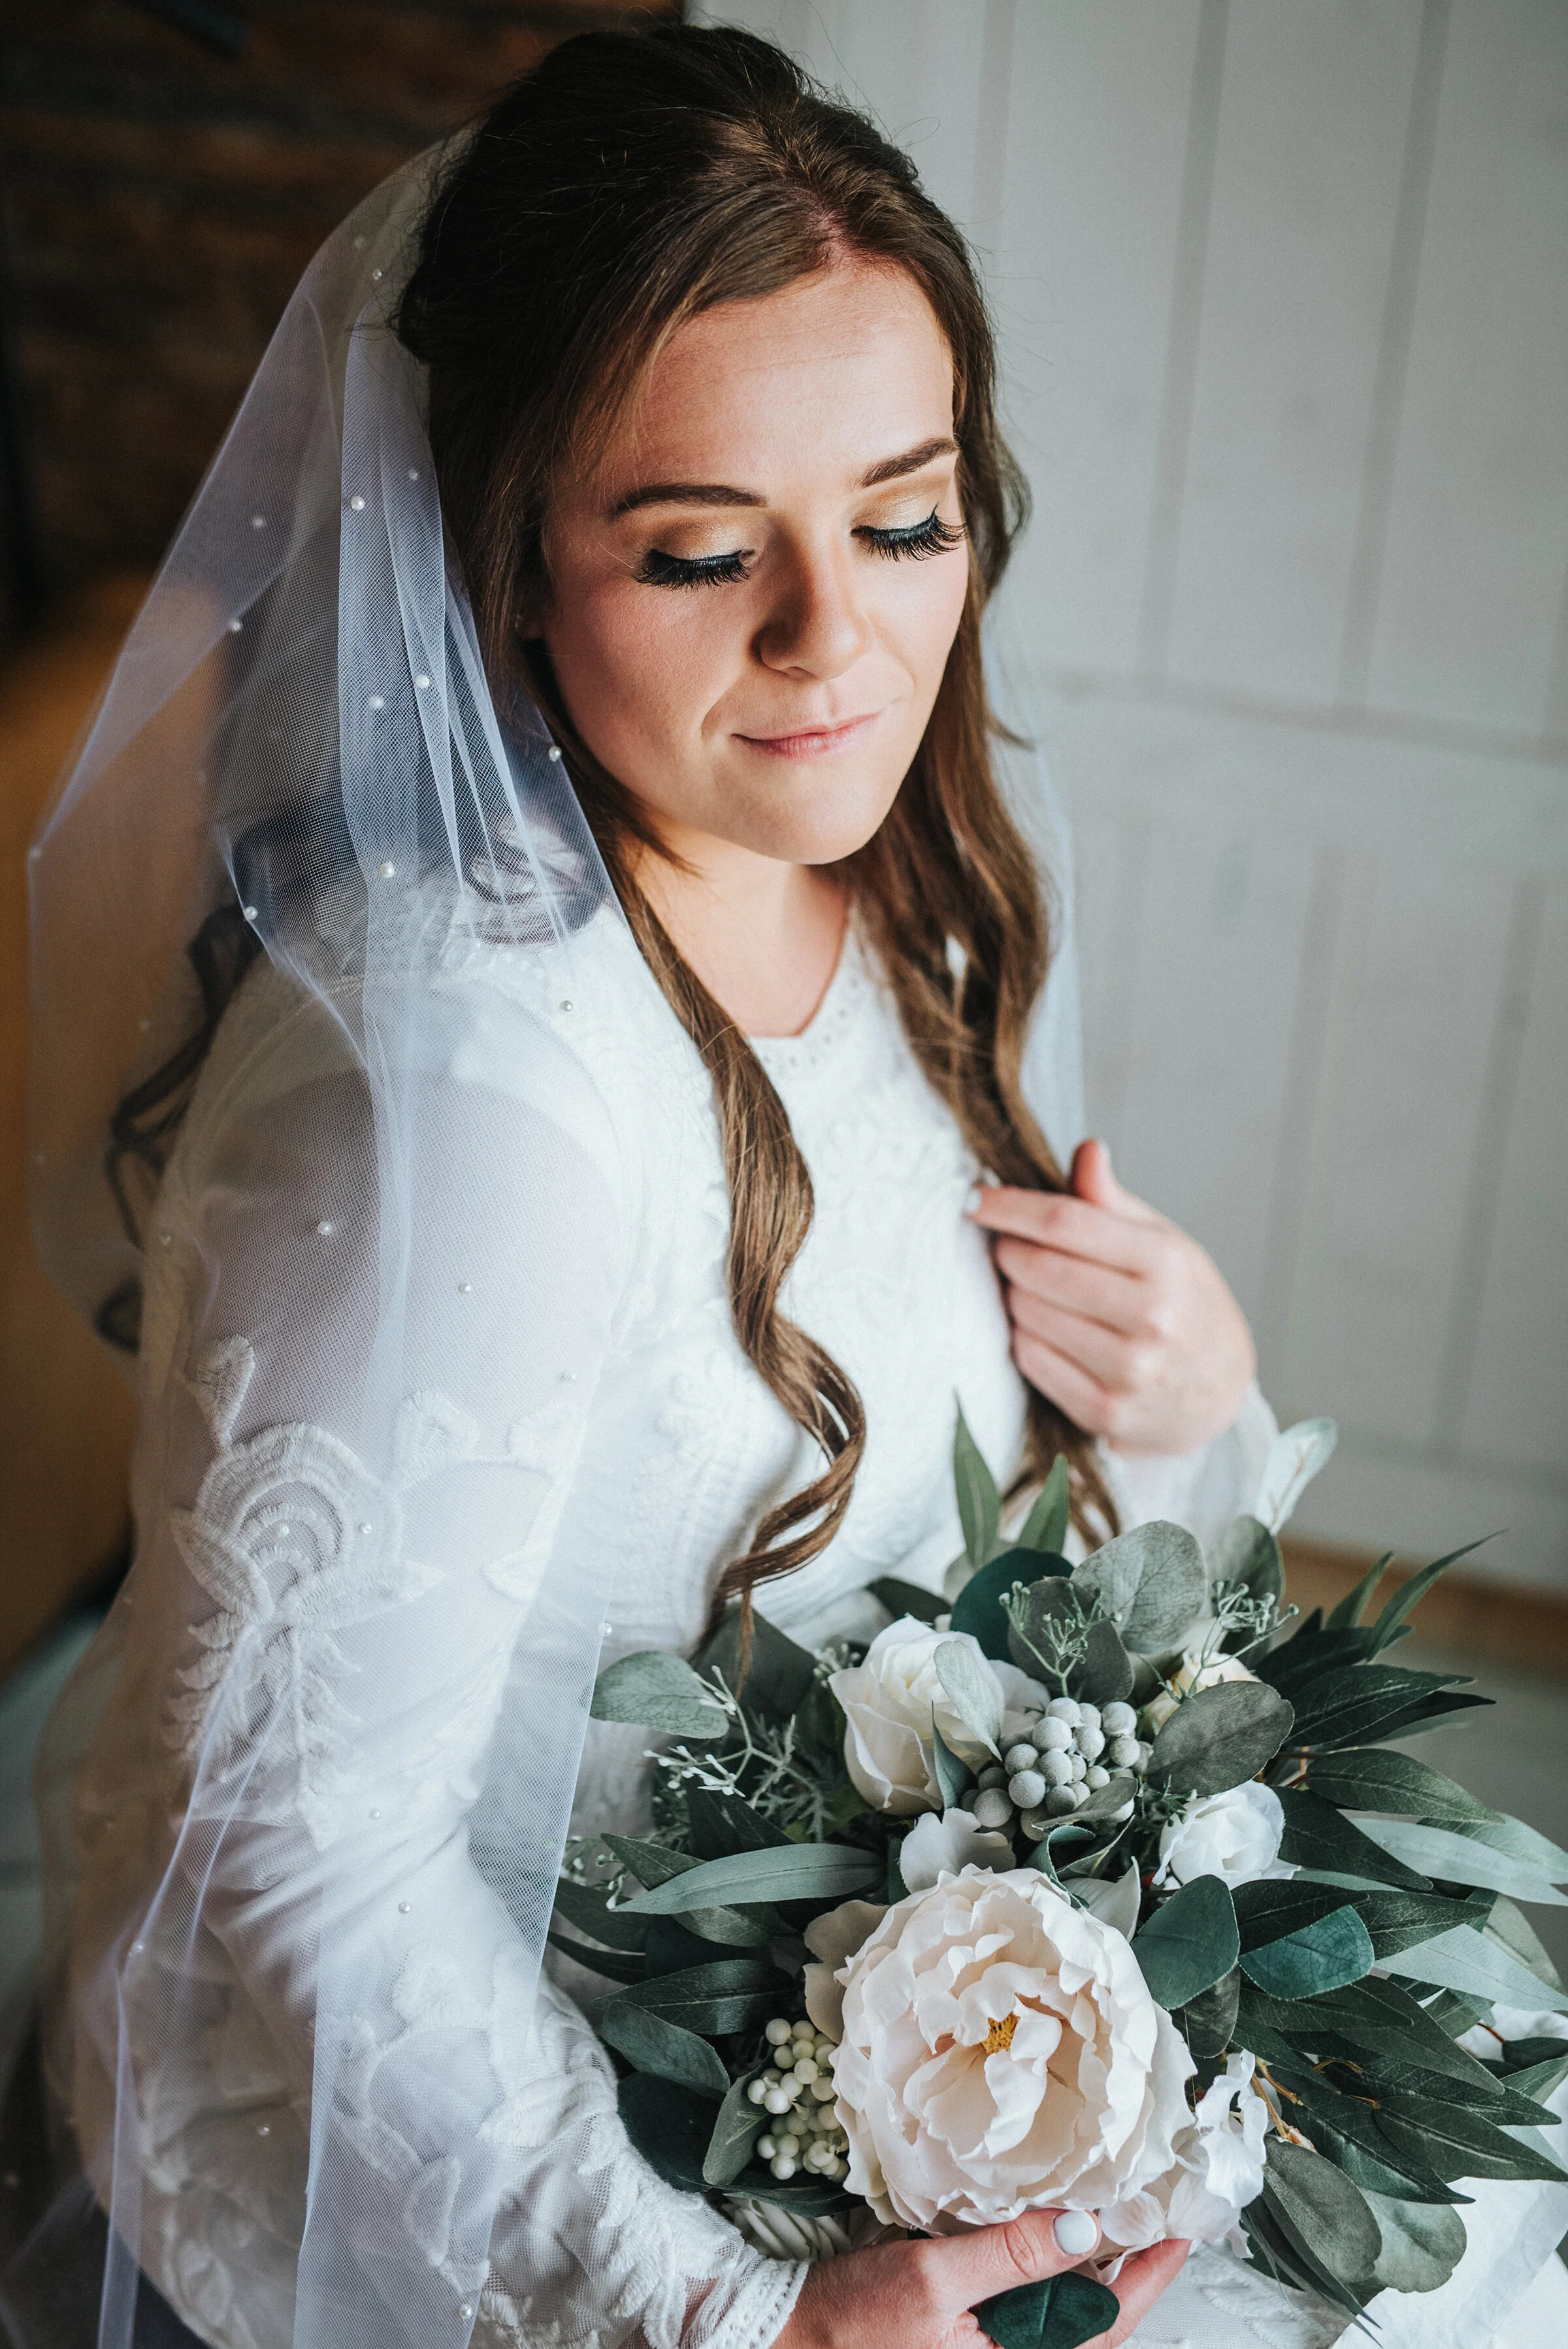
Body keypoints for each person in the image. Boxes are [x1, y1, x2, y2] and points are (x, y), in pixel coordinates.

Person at [16, 25, 1277, 2349]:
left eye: (903, 518)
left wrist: (1182, 1389)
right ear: (498, 566)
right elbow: (300, 1847)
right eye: (702, 553)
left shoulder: (936, 876)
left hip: (882, 1987)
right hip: (514, 2143)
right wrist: (715, 2317)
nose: (840, 643)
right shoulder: (477, 1107)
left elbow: (981, 1506)